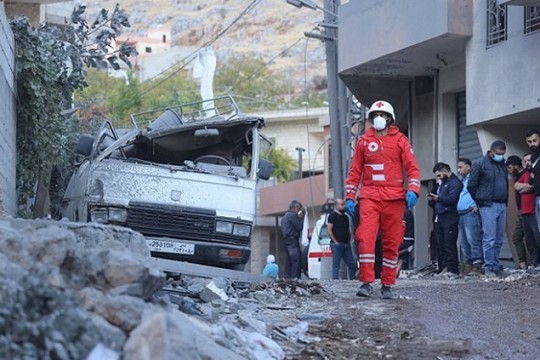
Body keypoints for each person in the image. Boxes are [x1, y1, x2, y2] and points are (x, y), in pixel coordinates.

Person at [344, 100, 421, 299]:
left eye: (383, 114)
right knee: (365, 238)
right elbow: (355, 172)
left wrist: (413, 189)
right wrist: (350, 196)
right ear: (371, 118)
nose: (379, 118)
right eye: (376, 114)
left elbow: (412, 167)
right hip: (370, 196)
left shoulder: (400, 140)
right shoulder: (362, 142)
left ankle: (387, 284)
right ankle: (366, 282)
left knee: (392, 241)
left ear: (390, 118)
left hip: (394, 198)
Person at [467, 140, 508, 276]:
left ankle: (495, 265)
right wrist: (480, 200)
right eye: (498, 154)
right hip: (488, 205)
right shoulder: (480, 164)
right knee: (489, 238)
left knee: (499, 238)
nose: (500, 156)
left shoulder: (502, 164)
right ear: (491, 152)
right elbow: (471, 185)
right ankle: (489, 267)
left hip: (502, 204)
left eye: (502, 154)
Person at [428, 163, 463, 275]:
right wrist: (432, 199)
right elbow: (435, 202)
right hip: (439, 216)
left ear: (444, 171)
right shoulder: (441, 184)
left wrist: (438, 198)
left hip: (449, 216)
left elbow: (452, 199)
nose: (438, 178)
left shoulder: (455, 183)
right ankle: (442, 267)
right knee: (440, 243)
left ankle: (452, 268)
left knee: (449, 243)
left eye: (439, 175)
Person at [456, 158, 483, 274]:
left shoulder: (475, 178)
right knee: (464, 241)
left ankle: (478, 264)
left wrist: (478, 205)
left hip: (470, 212)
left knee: (473, 239)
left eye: (461, 167)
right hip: (461, 214)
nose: (458, 170)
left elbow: (481, 191)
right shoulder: (463, 180)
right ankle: (468, 264)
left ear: (469, 167)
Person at [514, 153, 540, 267]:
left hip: (534, 211)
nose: (527, 163)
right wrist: (526, 187)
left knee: (538, 237)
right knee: (530, 240)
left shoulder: (536, 173)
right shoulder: (525, 174)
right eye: (525, 161)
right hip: (525, 212)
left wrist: (524, 188)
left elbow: (531, 187)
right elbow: (516, 186)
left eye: (529, 160)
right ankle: (535, 263)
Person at [506, 155, 529, 269]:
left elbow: (530, 187)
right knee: (517, 237)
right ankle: (523, 264)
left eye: (510, 167)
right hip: (521, 211)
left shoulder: (526, 174)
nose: (509, 170)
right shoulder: (517, 177)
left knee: (531, 237)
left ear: (515, 165)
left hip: (529, 210)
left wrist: (520, 186)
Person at [327, 198, 357, 280]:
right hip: (337, 245)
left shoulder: (346, 218)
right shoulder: (332, 216)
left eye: (344, 204)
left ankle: (352, 280)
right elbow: (329, 230)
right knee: (336, 265)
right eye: (342, 204)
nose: (344, 206)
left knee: (351, 263)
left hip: (346, 244)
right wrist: (335, 242)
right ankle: (335, 281)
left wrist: (349, 240)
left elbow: (348, 230)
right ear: (336, 206)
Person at [280, 200, 305, 279]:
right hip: (292, 240)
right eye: (299, 209)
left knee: (288, 262)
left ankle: (288, 278)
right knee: (296, 261)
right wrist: (301, 219)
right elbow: (299, 227)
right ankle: (295, 278)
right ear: (296, 207)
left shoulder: (285, 217)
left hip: (286, 241)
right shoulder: (292, 215)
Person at [526, 129, 540, 231]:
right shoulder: (533, 157)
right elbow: (531, 180)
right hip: (538, 195)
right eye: (530, 142)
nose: (533, 144)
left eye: (535, 140)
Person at [396, 208, 415, 277]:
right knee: (402, 257)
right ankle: (406, 250)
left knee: (392, 254)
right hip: (409, 238)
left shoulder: (402, 212)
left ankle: (394, 273)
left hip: (402, 238)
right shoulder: (408, 212)